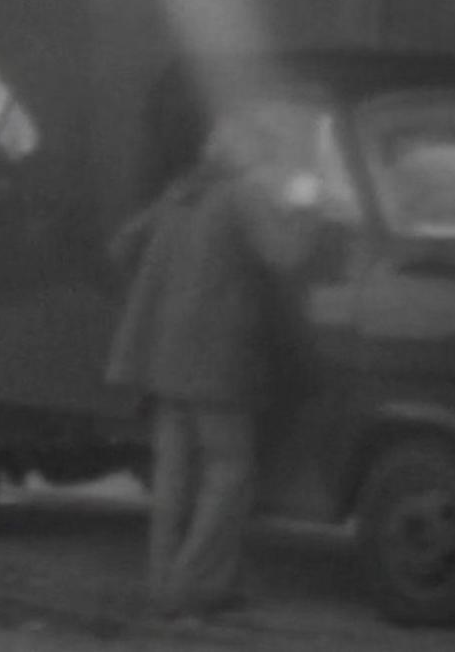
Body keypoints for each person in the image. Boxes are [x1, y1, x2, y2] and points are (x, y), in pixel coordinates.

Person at [105, 105, 318, 623]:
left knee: (174, 481)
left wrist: (164, 285)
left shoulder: (181, 193)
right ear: (245, 152)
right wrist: (307, 205)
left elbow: (121, 246)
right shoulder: (242, 194)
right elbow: (286, 256)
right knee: (230, 474)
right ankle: (189, 587)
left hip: (162, 360)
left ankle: (171, 588)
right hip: (219, 363)